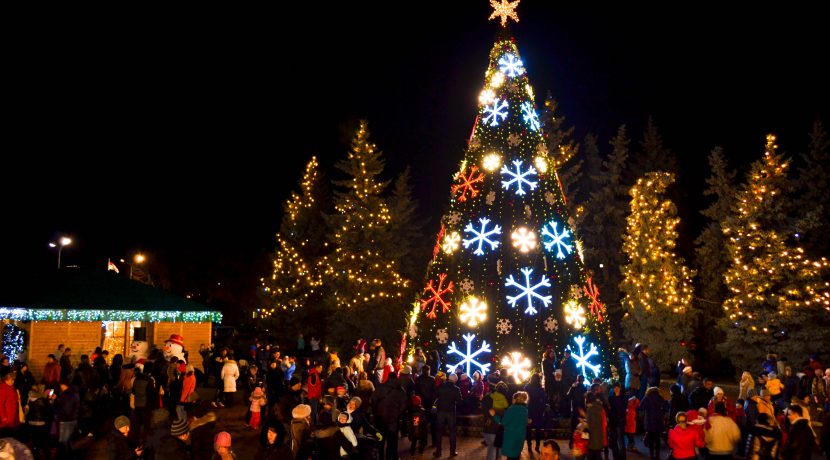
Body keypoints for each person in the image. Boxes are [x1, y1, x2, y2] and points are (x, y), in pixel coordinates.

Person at [434, 372, 462, 457]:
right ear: (455, 381)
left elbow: (436, 396)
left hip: (440, 411)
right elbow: (460, 401)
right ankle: (452, 452)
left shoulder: (441, 386)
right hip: (451, 412)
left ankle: (438, 452)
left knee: (439, 432)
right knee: (452, 432)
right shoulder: (456, 389)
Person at [501, 391, 531, 460]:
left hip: (511, 439)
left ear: (515, 399)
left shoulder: (512, 409)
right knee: (516, 456)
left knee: (510, 457)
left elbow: (503, 422)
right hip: (520, 438)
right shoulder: (525, 410)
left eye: (512, 398)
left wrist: (494, 416)